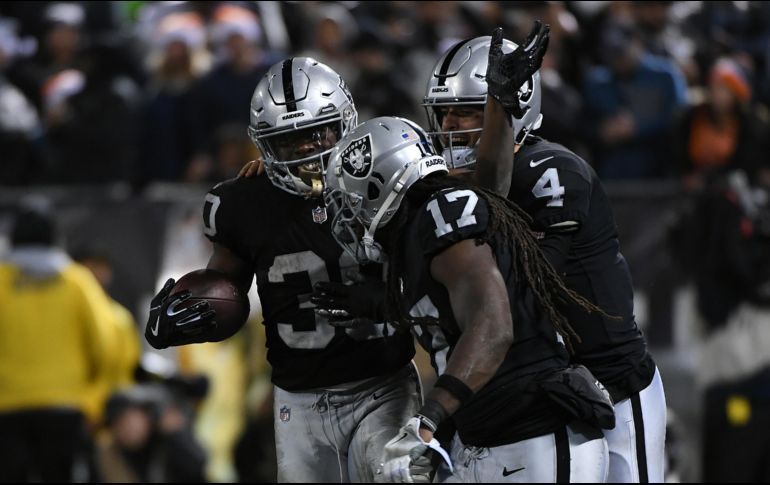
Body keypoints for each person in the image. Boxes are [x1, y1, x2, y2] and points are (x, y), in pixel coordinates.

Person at [144, 57, 421, 483]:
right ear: (265, 145)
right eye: (291, 142)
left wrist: (392, 299)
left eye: (317, 134)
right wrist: (189, 315)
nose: (310, 151)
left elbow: (429, 272)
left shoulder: (386, 176)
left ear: (346, 121)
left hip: (382, 383)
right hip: (299, 396)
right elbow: (226, 294)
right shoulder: (241, 204)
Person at [419, 27, 667, 483]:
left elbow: (531, 289)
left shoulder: (553, 171)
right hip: (540, 399)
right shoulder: (448, 187)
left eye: (469, 111)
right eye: (445, 112)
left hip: (611, 381)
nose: (452, 125)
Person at [324, 115, 614, 483]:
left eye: (350, 203)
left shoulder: (440, 214)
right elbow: (450, 310)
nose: (350, 220)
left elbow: (491, 327)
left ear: (380, 185)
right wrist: (381, 303)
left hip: (533, 435)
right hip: (492, 439)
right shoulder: (419, 231)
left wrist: (427, 422)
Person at [0, 199, 119, 482]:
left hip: (7, 410)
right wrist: (93, 402)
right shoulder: (77, 281)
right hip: (66, 410)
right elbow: (108, 347)